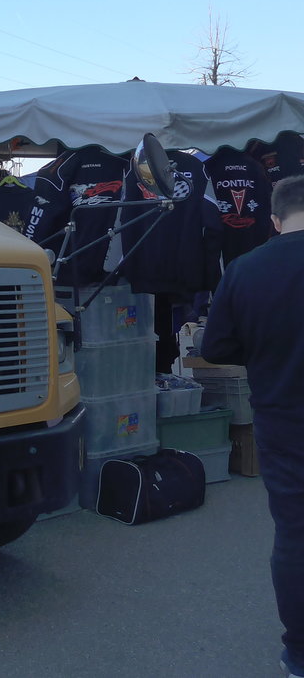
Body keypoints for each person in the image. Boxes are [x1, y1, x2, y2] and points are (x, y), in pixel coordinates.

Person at [201, 173, 304, 678]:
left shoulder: (246, 269)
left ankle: (301, 654)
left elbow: (214, 348)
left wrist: (263, 354)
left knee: (296, 535)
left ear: (274, 220)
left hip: (284, 417)